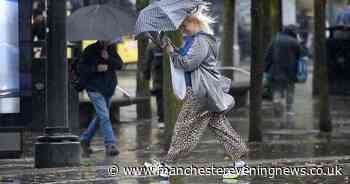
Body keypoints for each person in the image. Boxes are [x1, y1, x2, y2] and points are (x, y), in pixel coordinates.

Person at [145, 5, 249, 180]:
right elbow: (187, 59)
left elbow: (187, 63)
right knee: (220, 127)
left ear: (195, 22)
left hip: (201, 93)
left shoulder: (201, 41)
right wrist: (171, 49)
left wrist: (172, 52)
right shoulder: (200, 40)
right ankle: (240, 164)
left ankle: (166, 166)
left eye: (184, 25)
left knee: (183, 128)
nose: (182, 29)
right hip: (208, 92)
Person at [78, 40, 123, 157]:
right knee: (104, 116)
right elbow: (81, 69)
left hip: (108, 88)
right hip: (94, 88)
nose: (107, 41)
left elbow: (119, 65)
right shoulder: (89, 50)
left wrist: (108, 58)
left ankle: (85, 139)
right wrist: (96, 68)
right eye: (104, 39)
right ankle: (110, 144)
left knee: (101, 117)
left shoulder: (111, 49)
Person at [265, 25, 302, 116]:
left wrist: (266, 69)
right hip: (290, 71)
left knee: (277, 89)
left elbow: (268, 56)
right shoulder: (294, 42)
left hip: (276, 70)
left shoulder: (275, 40)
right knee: (290, 90)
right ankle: (289, 110)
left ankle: (277, 103)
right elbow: (299, 56)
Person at [144, 42, 165, 125]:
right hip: (160, 78)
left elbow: (147, 63)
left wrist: (147, 76)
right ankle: (162, 119)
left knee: (160, 99)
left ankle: (162, 120)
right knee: (160, 98)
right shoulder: (153, 46)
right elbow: (147, 63)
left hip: (158, 78)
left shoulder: (152, 45)